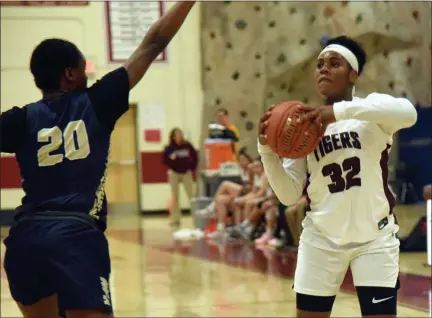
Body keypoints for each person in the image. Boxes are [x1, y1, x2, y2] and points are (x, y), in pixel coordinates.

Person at [0, 2, 195, 318]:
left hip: (25, 239)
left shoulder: (19, 120)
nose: (89, 75)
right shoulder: (97, 101)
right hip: (74, 236)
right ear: (69, 74)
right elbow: (155, 43)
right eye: (84, 69)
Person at [258, 35, 417, 317]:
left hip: (374, 239)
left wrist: (338, 112)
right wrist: (266, 151)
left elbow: (408, 113)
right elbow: (289, 195)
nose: (324, 69)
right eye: (319, 64)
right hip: (321, 240)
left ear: (352, 74)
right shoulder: (303, 126)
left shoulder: (371, 110)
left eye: (334, 63)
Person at [197, 148, 253, 217]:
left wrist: (244, 190)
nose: (242, 162)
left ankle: (211, 207)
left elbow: (251, 185)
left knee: (225, 184)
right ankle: (220, 224)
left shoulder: (250, 169)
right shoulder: (242, 171)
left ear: (249, 160)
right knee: (220, 198)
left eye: (244, 159)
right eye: (240, 160)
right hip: (243, 191)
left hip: (249, 192)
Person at [163, 127, 198, 231]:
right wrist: (171, 161)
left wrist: (192, 168)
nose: (179, 136)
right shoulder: (169, 148)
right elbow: (165, 160)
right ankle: (175, 219)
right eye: (177, 134)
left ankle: (196, 217)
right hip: (174, 173)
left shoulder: (188, 146)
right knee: (175, 196)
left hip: (186, 172)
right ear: (173, 137)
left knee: (191, 195)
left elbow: (195, 157)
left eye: (180, 134)